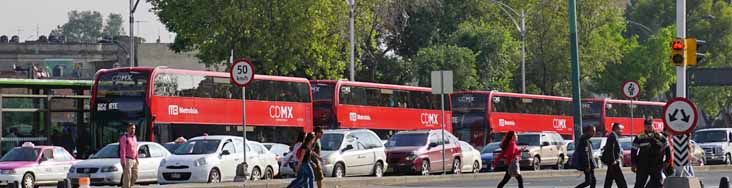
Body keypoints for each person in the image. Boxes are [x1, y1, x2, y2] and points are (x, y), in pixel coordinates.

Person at [631, 117, 671, 188]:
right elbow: (634, 151)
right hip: (643, 164)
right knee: (639, 184)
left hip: (656, 164)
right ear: (644, 126)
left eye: (650, 126)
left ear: (653, 125)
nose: (649, 128)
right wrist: (633, 163)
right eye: (647, 126)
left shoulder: (660, 137)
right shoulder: (639, 137)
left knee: (657, 183)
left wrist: (667, 161)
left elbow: (667, 149)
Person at [604, 123, 627, 188]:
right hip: (614, 162)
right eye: (620, 129)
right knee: (621, 181)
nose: (621, 131)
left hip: (612, 162)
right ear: (616, 129)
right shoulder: (613, 136)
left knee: (609, 180)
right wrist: (613, 160)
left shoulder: (613, 136)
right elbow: (610, 149)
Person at [119, 123, 139, 188]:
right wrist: (123, 162)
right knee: (127, 178)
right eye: (131, 128)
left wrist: (137, 159)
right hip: (127, 160)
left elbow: (135, 149)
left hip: (134, 160)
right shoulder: (124, 138)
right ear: (128, 129)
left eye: (134, 128)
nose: (133, 130)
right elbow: (122, 151)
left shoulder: (135, 138)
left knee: (135, 176)